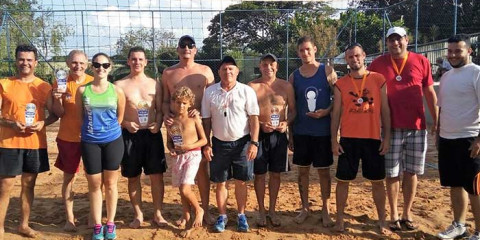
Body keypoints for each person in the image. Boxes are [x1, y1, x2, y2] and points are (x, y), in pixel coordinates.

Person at [368, 26, 438, 231]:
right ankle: (394, 214)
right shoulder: (378, 63)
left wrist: (437, 121)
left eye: (399, 39)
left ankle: (407, 213)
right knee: (391, 173)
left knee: (411, 172)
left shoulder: (421, 61)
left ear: (407, 40)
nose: (395, 43)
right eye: (391, 40)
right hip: (389, 128)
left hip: (417, 127)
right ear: (387, 42)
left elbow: (429, 92)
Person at [330, 43, 391, 234]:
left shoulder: (379, 79)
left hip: (373, 138)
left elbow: (385, 110)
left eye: (357, 56)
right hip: (349, 138)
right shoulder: (341, 84)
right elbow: (336, 113)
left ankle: (381, 220)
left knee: (377, 181)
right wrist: (334, 140)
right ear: (346, 60)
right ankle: (339, 219)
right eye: (350, 57)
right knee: (342, 180)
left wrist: (387, 137)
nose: (354, 60)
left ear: (364, 55)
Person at [0, 44, 57, 239]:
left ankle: (23, 225)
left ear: (36, 62)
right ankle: (0, 227)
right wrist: (10, 123)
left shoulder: (44, 86)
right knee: (5, 186)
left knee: (28, 186)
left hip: (34, 143)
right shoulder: (4, 84)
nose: (25, 63)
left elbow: (55, 114)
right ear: (16, 61)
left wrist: (43, 122)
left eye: (29, 60)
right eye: (21, 59)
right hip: (8, 142)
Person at [201, 56, 259, 233]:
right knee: (221, 182)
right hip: (219, 143)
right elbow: (206, 120)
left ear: (237, 71)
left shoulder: (246, 91)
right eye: (224, 69)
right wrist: (207, 144)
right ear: (219, 72)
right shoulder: (210, 92)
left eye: (231, 69)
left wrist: (254, 143)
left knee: (241, 182)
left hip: (242, 142)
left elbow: (254, 118)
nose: (228, 72)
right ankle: (223, 215)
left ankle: (241, 215)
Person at [162, 35, 215, 225]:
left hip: (201, 125)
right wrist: (166, 114)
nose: (186, 48)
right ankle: (186, 213)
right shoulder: (168, 73)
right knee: (182, 172)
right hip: (179, 128)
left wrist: (202, 115)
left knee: (202, 170)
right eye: (182, 45)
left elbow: (211, 99)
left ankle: (205, 210)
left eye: (190, 45)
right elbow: (166, 101)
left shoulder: (206, 71)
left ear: (195, 50)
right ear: (177, 49)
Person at [114, 47, 167, 228]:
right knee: (133, 176)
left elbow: (159, 110)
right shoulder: (119, 85)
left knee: (156, 176)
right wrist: (126, 124)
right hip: (130, 135)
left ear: (146, 62)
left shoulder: (155, 84)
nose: (137, 62)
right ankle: (138, 215)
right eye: (133, 59)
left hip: (152, 134)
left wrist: (158, 124)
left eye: (140, 59)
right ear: (128, 61)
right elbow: (114, 115)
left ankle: (158, 214)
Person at [76, 53, 126, 240]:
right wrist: (92, 132)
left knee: (111, 184)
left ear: (110, 68)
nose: (101, 68)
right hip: (90, 142)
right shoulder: (82, 91)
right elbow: (79, 116)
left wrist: (108, 131)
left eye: (105, 65)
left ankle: (110, 223)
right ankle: (98, 225)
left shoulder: (117, 91)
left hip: (113, 140)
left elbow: (120, 118)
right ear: (92, 67)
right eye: (97, 65)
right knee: (95, 185)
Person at [288, 36, 337, 226]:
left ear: (315, 49)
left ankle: (326, 209)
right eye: (301, 50)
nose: (305, 53)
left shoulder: (327, 71)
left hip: (322, 132)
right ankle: (305, 208)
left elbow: (337, 98)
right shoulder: (294, 76)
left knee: (324, 172)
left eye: (308, 49)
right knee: (303, 173)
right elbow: (291, 108)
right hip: (301, 132)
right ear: (298, 52)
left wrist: (327, 111)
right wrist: (290, 134)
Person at [436, 34, 480, 240]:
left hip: (470, 139)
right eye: (450, 51)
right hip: (447, 139)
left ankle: (479, 232)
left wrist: (479, 139)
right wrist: (438, 134)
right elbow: (443, 109)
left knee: (474, 188)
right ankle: (459, 225)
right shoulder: (445, 77)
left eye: (458, 51)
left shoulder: (476, 73)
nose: (453, 55)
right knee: (455, 184)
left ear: (469, 51)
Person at [248, 53, 296, 227]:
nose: (268, 67)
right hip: (258, 135)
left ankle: (272, 211)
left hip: (279, 135)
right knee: (259, 175)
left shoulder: (286, 86)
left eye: (271, 64)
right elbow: (247, 113)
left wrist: (286, 123)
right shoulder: (252, 86)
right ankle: (261, 211)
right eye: (264, 64)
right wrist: (260, 124)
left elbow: (292, 111)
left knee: (276, 174)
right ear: (260, 66)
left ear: (277, 66)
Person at [51, 50, 93, 231]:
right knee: (69, 178)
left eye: (82, 63)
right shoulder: (60, 83)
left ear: (87, 64)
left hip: (91, 137)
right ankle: (70, 218)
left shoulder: (93, 82)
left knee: (94, 178)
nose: (78, 66)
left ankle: (93, 216)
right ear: (68, 63)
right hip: (68, 137)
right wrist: (58, 99)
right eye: (74, 62)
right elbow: (59, 114)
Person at [167, 86, 207, 238]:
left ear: (190, 103)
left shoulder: (194, 119)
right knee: (181, 190)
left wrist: (189, 146)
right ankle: (187, 217)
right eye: (178, 102)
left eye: (184, 103)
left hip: (193, 155)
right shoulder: (171, 122)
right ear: (173, 103)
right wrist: (171, 149)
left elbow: (203, 139)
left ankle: (199, 210)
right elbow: (169, 142)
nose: (181, 106)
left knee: (185, 188)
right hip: (178, 157)